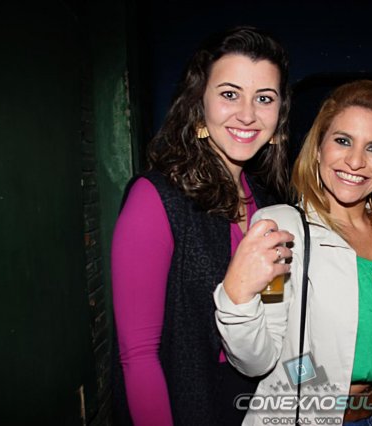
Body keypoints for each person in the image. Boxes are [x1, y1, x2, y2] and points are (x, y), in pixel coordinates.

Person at [213, 80, 372, 425]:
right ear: (318, 149)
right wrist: (237, 299)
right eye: (343, 141)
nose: (355, 161)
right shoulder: (283, 230)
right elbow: (256, 360)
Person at [110, 26, 291, 426]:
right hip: (185, 404)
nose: (248, 114)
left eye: (264, 98)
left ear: (279, 113)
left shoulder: (271, 206)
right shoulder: (155, 199)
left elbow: (275, 322)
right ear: (199, 102)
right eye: (229, 94)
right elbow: (138, 357)